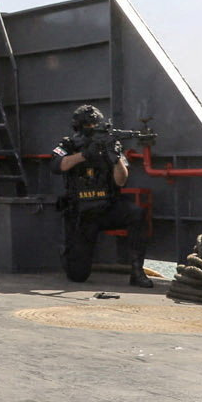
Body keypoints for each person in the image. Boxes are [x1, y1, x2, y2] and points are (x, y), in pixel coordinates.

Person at [53, 105, 153, 288]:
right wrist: (84, 155)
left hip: (107, 208)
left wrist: (114, 157)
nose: (92, 128)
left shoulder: (111, 145)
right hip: (81, 214)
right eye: (88, 124)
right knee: (77, 275)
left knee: (136, 213)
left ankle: (137, 272)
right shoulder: (68, 144)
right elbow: (58, 166)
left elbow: (121, 181)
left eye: (95, 124)